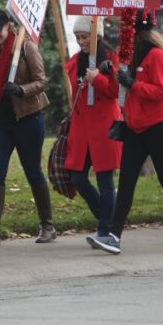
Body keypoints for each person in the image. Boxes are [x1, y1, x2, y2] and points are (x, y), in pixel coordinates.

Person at [88, 10, 163, 255]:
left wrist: (131, 82)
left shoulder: (156, 55)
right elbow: (119, 91)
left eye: (125, 30)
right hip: (135, 127)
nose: (121, 36)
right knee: (126, 182)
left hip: (159, 125)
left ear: (134, 31)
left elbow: (160, 92)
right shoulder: (130, 55)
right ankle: (114, 236)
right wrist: (109, 74)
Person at [0, 8, 55, 246]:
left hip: (27, 118)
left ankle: (47, 226)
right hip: (0, 122)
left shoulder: (26, 47)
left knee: (33, 172)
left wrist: (20, 90)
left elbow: (42, 81)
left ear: (8, 26)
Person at [64, 16, 120, 246]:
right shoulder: (75, 61)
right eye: (78, 37)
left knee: (105, 178)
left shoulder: (110, 59)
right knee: (77, 177)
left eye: (85, 36)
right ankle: (109, 218)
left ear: (96, 35)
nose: (81, 41)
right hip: (81, 128)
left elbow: (115, 92)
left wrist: (97, 79)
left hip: (104, 124)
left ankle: (105, 229)